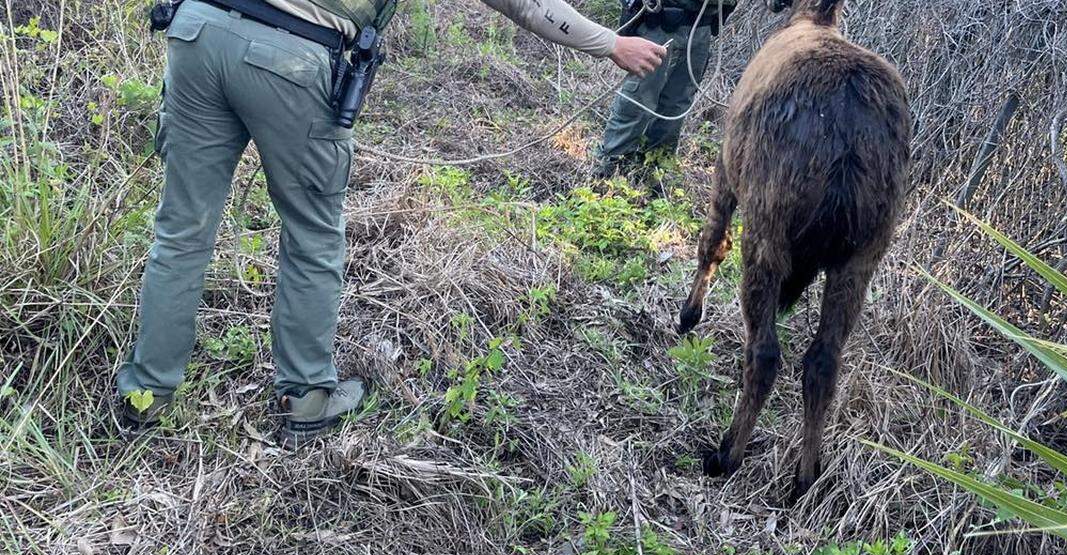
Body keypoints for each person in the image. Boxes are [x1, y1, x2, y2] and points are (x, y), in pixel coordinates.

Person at [117, 0, 667, 447]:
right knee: (311, 237)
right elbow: (524, 5)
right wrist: (611, 43)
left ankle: (145, 395)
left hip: (196, 30)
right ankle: (307, 400)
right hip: (290, 58)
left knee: (182, 233)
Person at [593, 0, 733, 180]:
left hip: (700, 28)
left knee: (677, 105)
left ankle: (654, 172)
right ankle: (609, 172)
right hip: (658, 25)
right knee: (637, 100)